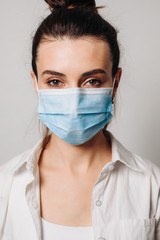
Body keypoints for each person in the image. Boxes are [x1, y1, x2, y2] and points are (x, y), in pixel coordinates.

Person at [0, 0, 160, 239]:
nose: (74, 102)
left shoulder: (152, 187)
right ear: (35, 82)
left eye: (92, 81)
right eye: (55, 81)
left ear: (115, 82)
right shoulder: (4, 187)